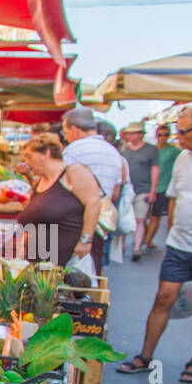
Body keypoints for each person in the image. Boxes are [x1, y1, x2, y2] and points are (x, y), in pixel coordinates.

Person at [118, 104, 192, 384]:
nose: (176, 136)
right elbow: (174, 198)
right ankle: (145, 356)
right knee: (163, 299)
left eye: (182, 131)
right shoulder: (182, 159)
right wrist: (169, 235)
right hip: (179, 245)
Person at [15, 133, 102, 266]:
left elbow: (93, 203)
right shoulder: (40, 181)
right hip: (40, 263)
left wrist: (85, 240)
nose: (26, 163)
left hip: (66, 261)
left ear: (46, 153)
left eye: (29, 156)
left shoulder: (73, 172)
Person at [61, 107, 125, 275]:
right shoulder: (114, 152)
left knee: (69, 278)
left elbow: (62, 187)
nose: (65, 136)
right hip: (100, 226)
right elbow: (116, 193)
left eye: (65, 131)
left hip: (75, 225)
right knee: (92, 271)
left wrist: (85, 238)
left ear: (74, 129)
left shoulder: (73, 150)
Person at [119, 122, 160, 261]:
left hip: (144, 189)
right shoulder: (125, 150)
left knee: (140, 219)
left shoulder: (151, 150)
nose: (128, 136)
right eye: (127, 133)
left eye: (131, 133)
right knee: (124, 217)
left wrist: (152, 191)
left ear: (140, 134)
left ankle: (136, 248)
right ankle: (122, 246)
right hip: (127, 189)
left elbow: (155, 170)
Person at [143, 122, 179, 252]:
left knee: (155, 215)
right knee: (142, 216)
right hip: (147, 186)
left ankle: (147, 241)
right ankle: (145, 237)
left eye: (165, 135)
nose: (163, 137)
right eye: (160, 135)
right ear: (156, 135)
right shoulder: (151, 150)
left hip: (163, 188)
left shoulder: (174, 151)